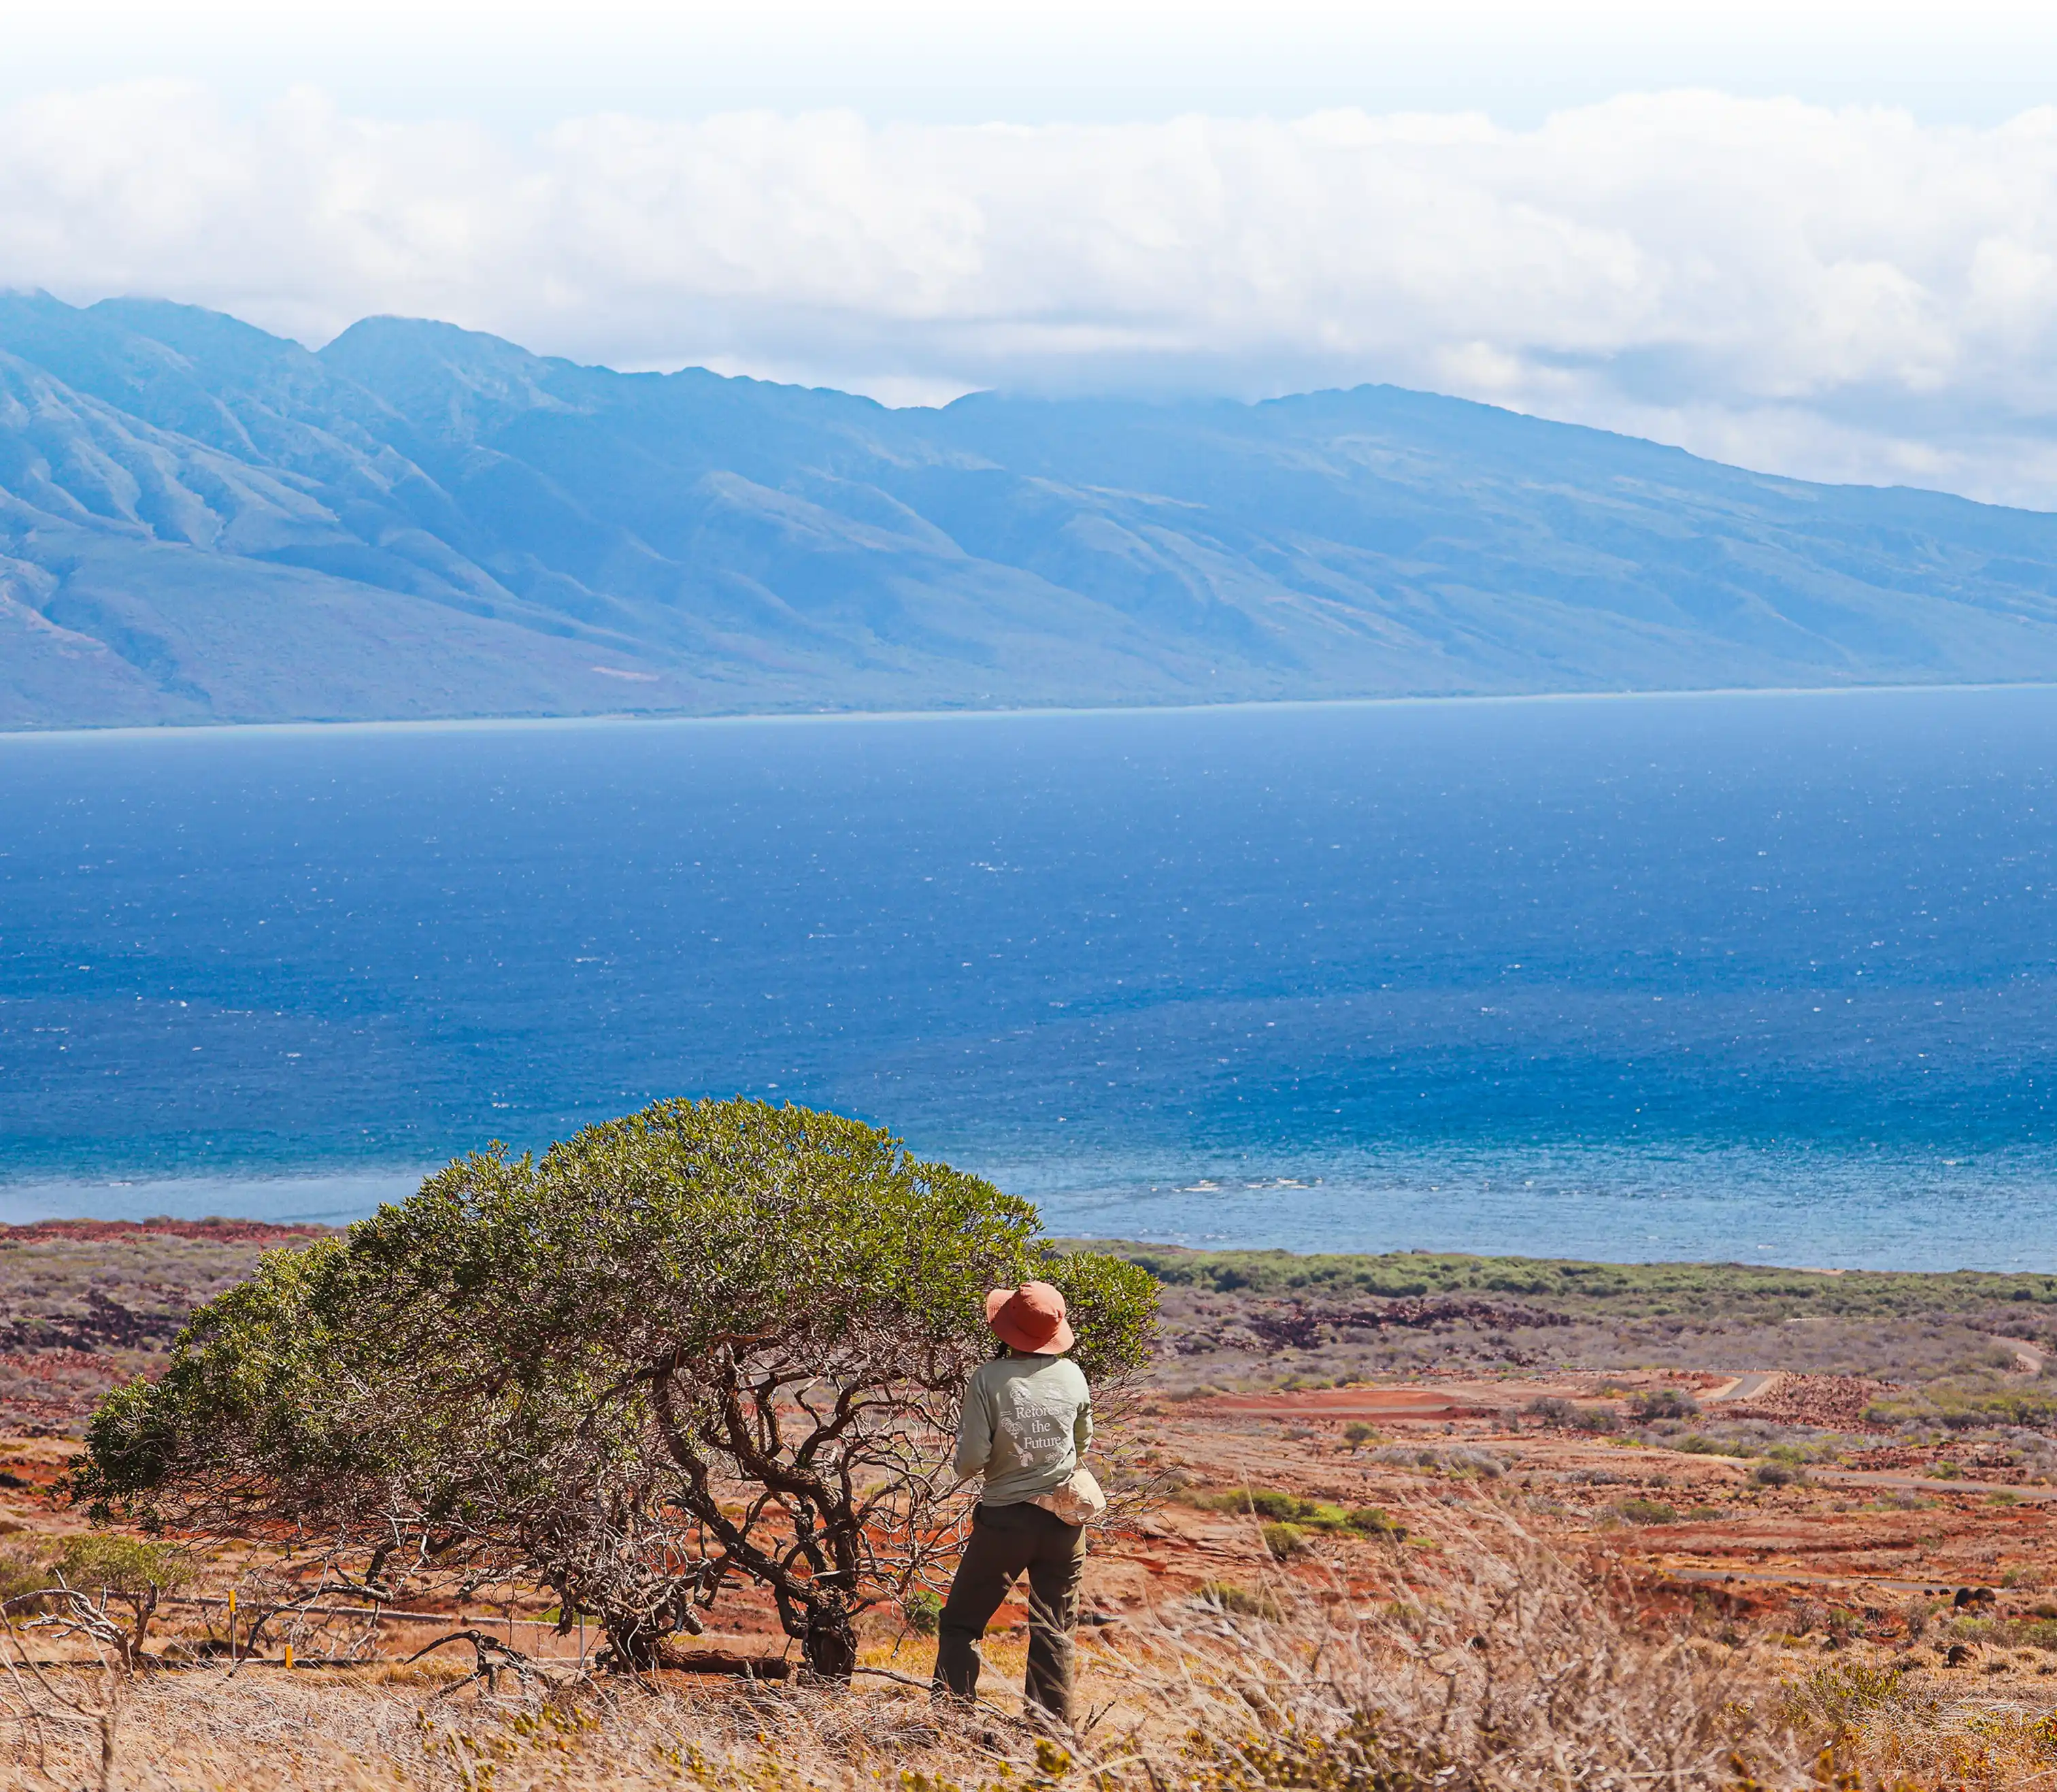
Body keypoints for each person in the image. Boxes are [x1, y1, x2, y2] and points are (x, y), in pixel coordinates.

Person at [933, 1280, 1094, 1725]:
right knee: (1055, 1629)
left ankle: (950, 1724)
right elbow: (1082, 1446)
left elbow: (971, 1461)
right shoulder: (1074, 1375)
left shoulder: (988, 1379)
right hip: (1065, 1521)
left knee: (962, 1624)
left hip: (1006, 1521)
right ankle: (1049, 1735)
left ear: (1007, 1330)